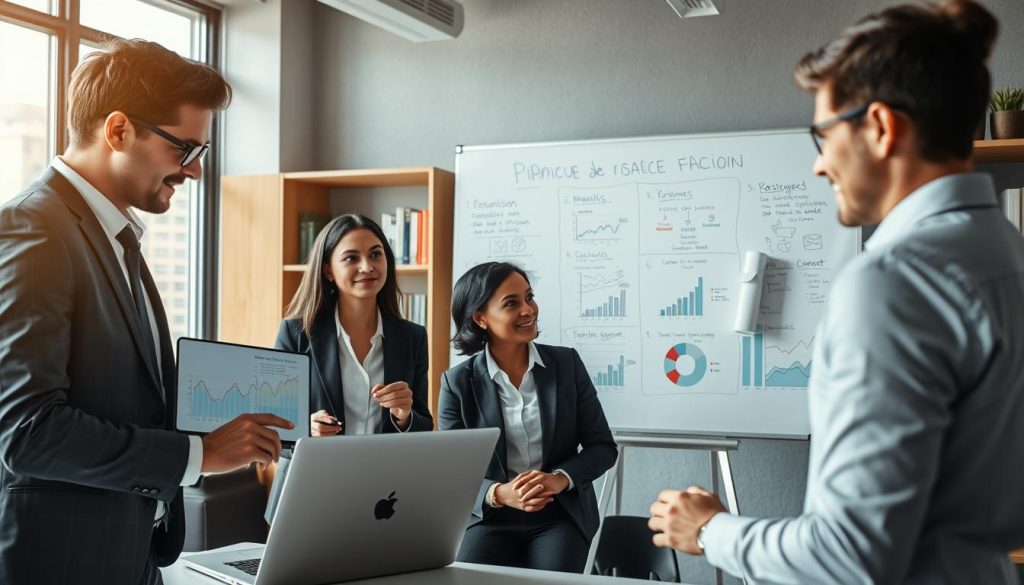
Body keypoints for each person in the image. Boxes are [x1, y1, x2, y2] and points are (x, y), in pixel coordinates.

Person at [648, 1, 1024, 583]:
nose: (820, 165)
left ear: (880, 127)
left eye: (821, 134)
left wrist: (708, 530)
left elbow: (850, 555)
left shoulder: (894, 283)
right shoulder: (1007, 251)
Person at [0, 39, 293, 585]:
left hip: (131, 556)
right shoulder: (35, 229)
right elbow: (28, 432)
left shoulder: (116, 238)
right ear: (118, 131)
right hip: (62, 564)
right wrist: (196, 455)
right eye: (185, 150)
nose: (195, 172)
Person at [439, 262, 617, 573]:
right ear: (480, 318)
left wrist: (559, 479)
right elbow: (451, 472)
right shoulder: (457, 383)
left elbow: (603, 448)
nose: (528, 310)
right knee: (463, 578)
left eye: (529, 297)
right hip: (491, 517)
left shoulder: (567, 364)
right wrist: (498, 494)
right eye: (511, 303)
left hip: (559, 515)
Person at [265, 214, 433, 521]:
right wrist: (308, 429)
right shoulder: (296, 334)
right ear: (328, 270)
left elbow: (424, 429)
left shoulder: (412, 337)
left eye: (375, 254)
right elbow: (274, 429)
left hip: (384, 494)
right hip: (311, 493)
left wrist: (405, 416)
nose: (367, 267)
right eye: (351, 258)